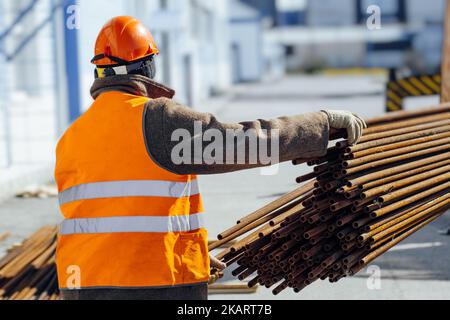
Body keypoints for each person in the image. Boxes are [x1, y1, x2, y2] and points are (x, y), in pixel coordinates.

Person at [54, 16, 366, 300]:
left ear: (100, 72)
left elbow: (114, 214)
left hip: (81, 286)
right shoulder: (157, 120)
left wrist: (194, 251)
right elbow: (246, 142)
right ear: (148, 67)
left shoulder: (71, 136)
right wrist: (320, 125)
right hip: (155, 283)